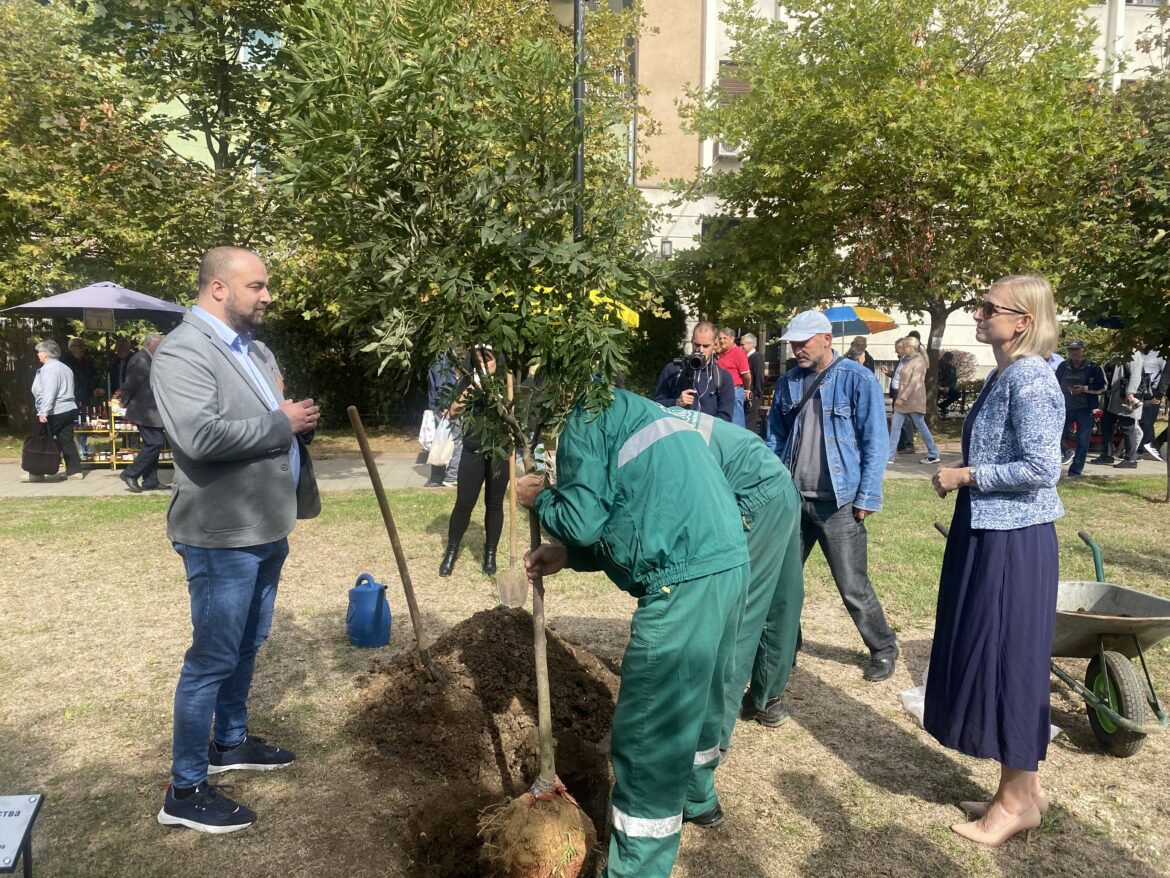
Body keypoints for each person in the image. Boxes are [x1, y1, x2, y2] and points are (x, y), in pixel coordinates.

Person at [515, 387, 749, 878]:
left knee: (650, 735)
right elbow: (635, 509)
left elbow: (581, 520)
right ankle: (697, 796)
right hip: (725, 560)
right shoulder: (630, 407)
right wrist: (569, 556)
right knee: (702, 701)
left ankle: (634, 869)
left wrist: (540, 500)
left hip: (682, 579)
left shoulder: (584, 414)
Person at [152, 246, 321, 834]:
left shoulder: (254, 349)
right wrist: (283, 422)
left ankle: (229, 741)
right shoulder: (182, 352)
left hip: (266, 524)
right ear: (219, 288)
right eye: (257, 286)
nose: (267, 295)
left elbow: (271, 415)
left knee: (249, 642)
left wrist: (291, 418)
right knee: (212, 658)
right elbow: (199, 437)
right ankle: (186, 786)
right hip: (221, 535)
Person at [927, 275, 1064, 847]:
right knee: (1003, 657)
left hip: (1013, 540)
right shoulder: (1008, 373)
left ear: (1023, 321)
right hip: (992, 530)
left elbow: (1041, 467)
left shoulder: (1031, 378)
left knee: (1010, 663)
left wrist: (967, 475)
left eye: (988, 308)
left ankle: (1013, 805)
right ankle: (1023, 790)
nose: (978, 315)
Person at [766, 310, 899, 683]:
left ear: (827, 338)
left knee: (853, 585)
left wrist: (867, 496)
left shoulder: (859, 379)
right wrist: (771, 490)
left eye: (804, 342)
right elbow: (775, 438)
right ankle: (785, 648)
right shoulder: (788, 382)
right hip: (792, 500)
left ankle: (884, 648)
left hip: (839, 503)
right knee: (783, 582)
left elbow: (875, 441)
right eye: (793, 343)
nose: (797, 350)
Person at [662, 404, 803, 739]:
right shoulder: (661, 416)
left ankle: (712, 735)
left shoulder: (647, 442)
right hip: (779, 480)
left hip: (753, 495)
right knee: (781, 598)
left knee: (739, 610)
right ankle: (767, 699)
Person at [438, 345, 509, 577]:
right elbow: (453, 411)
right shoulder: (466, 380)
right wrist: (475, 386)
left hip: (500, 450)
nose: (483, 362)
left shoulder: (507, 379)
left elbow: (511, 412)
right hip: (472, 448)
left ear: (496, 359)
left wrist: (495, 391)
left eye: (487, 357)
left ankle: (490, 555)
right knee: (464, 503)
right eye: (477, 358)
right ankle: (451, 552)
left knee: (495, 504)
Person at [653, 322, 735, 422]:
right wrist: (676, 403)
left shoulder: (723, 377)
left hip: (706, 435)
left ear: (715, 344)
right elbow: (656, 405)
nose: (700, 350)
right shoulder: (673, 370)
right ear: (692, 341)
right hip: (677, 433)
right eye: (696, 344)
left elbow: (725, 417)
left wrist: (703, 427)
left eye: (706, 346)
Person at [118, 333, 168, 492]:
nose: (162, 347)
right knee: (155, 442)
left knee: (153, 443)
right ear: (150, 344)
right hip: (144, 410)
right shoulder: (140, 359)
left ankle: (150, 480)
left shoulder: (148, 358)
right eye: (159, 344)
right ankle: (130, 473)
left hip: (151, 410)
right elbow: (131, 384)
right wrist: (124, 400)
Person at [29, 339, 83, 482]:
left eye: (39, 352)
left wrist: (43, 412)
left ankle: (36, 472)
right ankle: (75, 471)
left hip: (55, 409)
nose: (38, 355)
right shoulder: (65, 368)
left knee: (40, 439)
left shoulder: (49, 369)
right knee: (66, 439)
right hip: (69, 407)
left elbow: (49, 391)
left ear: (46, 354)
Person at [1054, 341, 1106, 478]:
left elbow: (1104, 387)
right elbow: (1054, 384)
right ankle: (1062, 458)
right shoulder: (1063, 366)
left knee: (1083, 441)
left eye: (1076, 350)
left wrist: (1085, 389)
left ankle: (1075, 470)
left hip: (1085, 410)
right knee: (1055, 436)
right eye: (1071, 350)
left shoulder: (1093, 367)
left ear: (1084, 350)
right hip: (1064, 409)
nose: (1073, 353)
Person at [887, 336, 941, 465]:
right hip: (903, 399)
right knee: (895, 426)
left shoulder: (919, 361)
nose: (902, 349)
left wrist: (903, 397)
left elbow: (914, 382)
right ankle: (889, 456)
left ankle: (933, 453)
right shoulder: (907, 360)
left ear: (910, 347)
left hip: (914, 399)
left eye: (904, 346)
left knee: (920, 426)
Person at [1091, 349, 1144, 468]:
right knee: (1106, 425)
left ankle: (1130, 459)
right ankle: (1107, 455)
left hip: (1124, 398)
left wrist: (1130, 393)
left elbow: (1135, 375)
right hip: (1113, 398)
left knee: (1127, 427)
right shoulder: (1118, 353)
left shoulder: (1134, 353)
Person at [424, 353, 462, 488]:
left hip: (442, 407)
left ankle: (436, 478)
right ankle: (451, 477)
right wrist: (447, 407)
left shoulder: (440, 359)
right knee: (456, 442)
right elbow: (443, 386)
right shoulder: (445, 360)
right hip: (447, 408)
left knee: (442, 441)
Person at [715, 326, 753, 428]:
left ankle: (741, 444)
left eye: (725, 338)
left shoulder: (738, 352)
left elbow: (746, 375)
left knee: (736, 426)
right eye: (720, 338)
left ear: (732, 339)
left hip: (735, 391)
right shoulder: (722, 354)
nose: (722, 341)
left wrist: (746, 389)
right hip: (722, 392)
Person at [1138, 347, 1168, 462]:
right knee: (1143, 420)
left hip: (1153, 391)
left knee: (1147, 421)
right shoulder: (1137, 353)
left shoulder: (1160, 354)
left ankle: (1148, 446)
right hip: (1140, 391)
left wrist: (1160, 394)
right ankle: (1148, 446)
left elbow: (1165, 374)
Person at [65, 337, 103, 409]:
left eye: (83, 346)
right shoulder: (65, 363)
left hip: (87, 400)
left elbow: (93, 378)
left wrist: (95, 389)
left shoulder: (87, 363)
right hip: (72, 401)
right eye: (80, 346)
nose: (83, 348)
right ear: (71, 348)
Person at [741, 332, 766, 432]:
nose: (741, 347)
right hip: (746, 396)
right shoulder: (746, 358)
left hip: (752, 397)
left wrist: (755, 394)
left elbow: (759, 377)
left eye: (743, 344)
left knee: (749, 425)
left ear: (752, 344)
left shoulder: (756, 358)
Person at [937, 351, 961, 416]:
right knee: (936, 393)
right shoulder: (936, 366)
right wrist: (940, 387)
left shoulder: (951, 368)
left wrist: (948, 387)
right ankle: (934, 408)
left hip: (947, 387)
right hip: (937, 387)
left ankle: (942, 406)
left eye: (949, 359)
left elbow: (953, 380)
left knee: (957, 394)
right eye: (947, 359)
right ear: (943, 357)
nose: (948, 361)